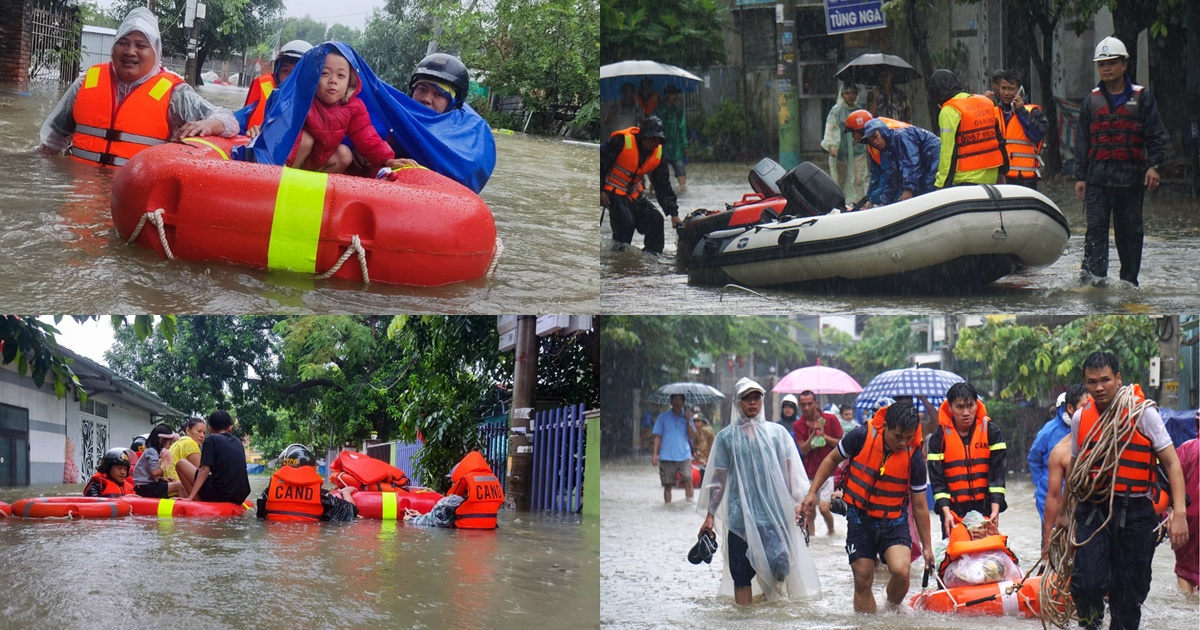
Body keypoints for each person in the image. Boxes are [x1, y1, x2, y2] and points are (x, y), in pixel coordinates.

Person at [1060, 351, 1189, 630]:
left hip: (1136, 511)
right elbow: (1074, 468)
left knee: (1129, 592)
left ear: (1118, 379)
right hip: (1094, 508)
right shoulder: (1081, 418)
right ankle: (1090, 625)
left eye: (1105, 380)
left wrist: (1179, 513)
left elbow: (1172, 464)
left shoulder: (1144, 414)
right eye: (1092, 381)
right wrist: (1063, 514)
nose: (1098, 387)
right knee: (1087, 583)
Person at [38, 7, 237, 165]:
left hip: (134, 197)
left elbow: (229, 121)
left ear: (156, 52)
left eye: (141, 45)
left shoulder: (175, 94)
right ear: (114, 47)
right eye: (123, 43)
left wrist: (208, 124)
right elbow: (50, 144)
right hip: (80, 193)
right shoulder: (85, 83)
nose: (130, 51)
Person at [697, 378, 821, 605]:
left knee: (780, 567)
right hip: (739, 519)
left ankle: (768, 611)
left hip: (773, 516)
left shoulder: (777, 434)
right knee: (741, 577)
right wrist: (710, 515)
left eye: (756, 397)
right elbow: (719, 479)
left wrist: (797, 504)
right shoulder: (726, 438)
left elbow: (789, 473)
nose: (752, 403)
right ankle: (746, 620)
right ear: (738, 402)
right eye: (747, 398)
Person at [802, 401, 934, 613]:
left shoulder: (914, 456)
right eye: (898, 437)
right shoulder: (861, 436)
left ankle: (891, 609)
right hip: (859, 519)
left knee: (901, 571)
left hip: (894, 521)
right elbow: (831, 460)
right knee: (863, 578)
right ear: (886, 427)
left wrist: (927, 546)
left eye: (908, 438)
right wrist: (811, 493)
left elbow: (919, 505)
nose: (903, 443)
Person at [1073, 36, 1168, 287]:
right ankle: (1094, 282)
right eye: (1101, 64)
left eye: (1112, 63)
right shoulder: (1090, 102)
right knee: (1096, 231)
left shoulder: (1142, 98)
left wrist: (1154, 166)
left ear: (1124, 65)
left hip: (1130, 178)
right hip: (1097, 180)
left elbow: (1156, 136)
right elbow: (1082, 141)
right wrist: (1080, 177)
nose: (1106, 68)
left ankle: (1129, 283)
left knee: (1130, 233)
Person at [286, 49, 395, 174]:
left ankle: (311, 187)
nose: (333, 80)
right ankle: (281, 178)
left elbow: (367, 136)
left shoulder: (354, 107)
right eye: (325, 73)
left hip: (317, 163)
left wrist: (386, 159)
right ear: (314, 78)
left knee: (345, 154)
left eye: (341, 76)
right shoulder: (303, 99)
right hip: (290, 161)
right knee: (306, 139)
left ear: (350, 82)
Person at [926, 382, 1007, 538]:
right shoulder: (939, 438)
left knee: (986, 557)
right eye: (960, 407)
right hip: (953, 512)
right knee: (957, 555)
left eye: (970, 406)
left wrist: (995, 510)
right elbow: (937, 481)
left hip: (984, 509)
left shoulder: (992, 432)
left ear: (977, 405)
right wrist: (946, 512)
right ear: (949, 408)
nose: (966, 412)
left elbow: (998, 475)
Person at [600, 116, 680, 255]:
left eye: (659, 140)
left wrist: (674, 213)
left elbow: (663, 185)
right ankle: (619, 259)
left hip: (635, 194)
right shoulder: (620, 142)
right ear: (644, 137)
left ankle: (652, 259)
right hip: (613, 193)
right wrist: (600, 190)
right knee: (626, 222)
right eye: (653, 139)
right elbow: (600, 163)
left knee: (656, 220)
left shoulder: (658, 155)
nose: (656, 143)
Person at [926, 69, 1008, 189]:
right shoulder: (985, 102)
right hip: (991, 176)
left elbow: (947, 152)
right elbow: (998, 139)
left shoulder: (949, 111)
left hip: (966, 179)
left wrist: (941, 184)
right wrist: (1002, 171)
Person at [1028, 384, 1088, 538]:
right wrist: (1041, 480)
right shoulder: (1050, 431)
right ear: (1068, 408)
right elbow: (1033, 458)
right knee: (1053, 539)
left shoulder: (1101, 435)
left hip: (1079, 506)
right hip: (1050, 491)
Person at [256, 444, 357, 522]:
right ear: (312, 469)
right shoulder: (320, 496)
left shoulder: (269, 492)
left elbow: (260, 515)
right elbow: (351, 512)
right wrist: (345, 492)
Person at [855, 115, 941, 206]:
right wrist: (885, 201)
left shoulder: (901, 136)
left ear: (883, 131)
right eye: (871, 141)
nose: (875, 142)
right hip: (927, 159)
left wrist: (908, 189)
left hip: (934, 154)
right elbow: (894, 175)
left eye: (875, 137)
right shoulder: (890, 148)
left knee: (928, 189)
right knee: (922, 191)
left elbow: (912, 162)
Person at [793, 390, 844, 536]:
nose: (807, 407)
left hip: (829, 473)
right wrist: (812, 436)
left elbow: (841, 444)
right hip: (808, 473)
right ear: (799, 405)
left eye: (810, 403)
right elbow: (803, 450)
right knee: (809, 510)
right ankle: (813, 539)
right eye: (803, 404)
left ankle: (831, 532)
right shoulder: (798, 425)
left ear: (816, 403)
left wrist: (824, 436)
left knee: (823, 507)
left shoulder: (831, 419)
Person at [241, 39, 313, 134]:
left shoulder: (323, 99)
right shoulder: (265, 91)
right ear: (277, 72)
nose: (290, 78)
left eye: (298, 72)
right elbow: (235, 120)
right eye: (285, 71)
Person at [180, 410, 251, 505]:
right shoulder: (237, 441)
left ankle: (195, 501)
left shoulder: (211, 439)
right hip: (240, 495)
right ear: (230, 428)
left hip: (222, 494)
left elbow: (204, 470)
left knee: (181, 464)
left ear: (210, 428)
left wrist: (190, 496)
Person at [993, 68, 1048, 189]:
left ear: (1020, 91)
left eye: (1011, 89)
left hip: (1025, 179)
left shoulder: (1032, 111)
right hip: (1001, 177)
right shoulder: (994, 112)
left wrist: (1020, 112)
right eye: (1003, 88)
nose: (1006, 93)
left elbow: (1038, 134)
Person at [821, 83, 869, 203]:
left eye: (853, 93)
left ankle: (859, 203)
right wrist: (831, 145)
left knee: (859, 178)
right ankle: (843, 204)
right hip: (841, 152)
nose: (850, 96)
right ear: (842, 94)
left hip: (858, 150)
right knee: (841, 180)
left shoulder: (859, 111)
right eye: (847, 93)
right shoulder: (836, 111)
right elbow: (830, 128)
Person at [653, 393, 696, 503]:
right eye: (675, 400)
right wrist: (654, 455)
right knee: (668, 485)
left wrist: (688, 420)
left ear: (683, 403)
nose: (678, 402)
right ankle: (668, 507)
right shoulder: (663, 417)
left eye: (680, 400)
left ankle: (689, 505)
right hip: (667, 456)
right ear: (671, 402)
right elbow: (657, 436)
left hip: (684, 456)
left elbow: (692, 436)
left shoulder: (687, 417)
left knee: (689, 481)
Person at [1175, 410, 1199, 593]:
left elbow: (1170, 483)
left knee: (1185, 569)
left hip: (1187, 519)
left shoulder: (1185, 449)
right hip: (1187, 517)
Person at [130, 424, 184, 499]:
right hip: (145, 487)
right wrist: (163, 470)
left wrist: (161, 479)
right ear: (161, 440)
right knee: (180, 485)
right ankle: (184, 507)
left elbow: (148, 473)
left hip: (144, 486)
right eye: (169, 443)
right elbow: (155, 472)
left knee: (173, 484)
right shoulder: (152, 451)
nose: (170, 446)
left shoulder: (152, 451)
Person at [658, 85, 688, 193]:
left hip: (676, 148)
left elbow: (682, 129)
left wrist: (685, 145)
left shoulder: (678, 112)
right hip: (662, 146)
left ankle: (683, 189)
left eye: (676, 94)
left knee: (680, 169)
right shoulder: (659, 111)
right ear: (666, 96)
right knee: (660, 172)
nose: (676, 97)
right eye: (673, 94)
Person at [168, 417, 207, 498]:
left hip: (169, 487)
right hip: (180, 489)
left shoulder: (177, 443)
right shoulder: (190, 443)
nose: (202, 435)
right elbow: (201, 472)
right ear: (188, 430)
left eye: (204, 433)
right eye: (199, 431)